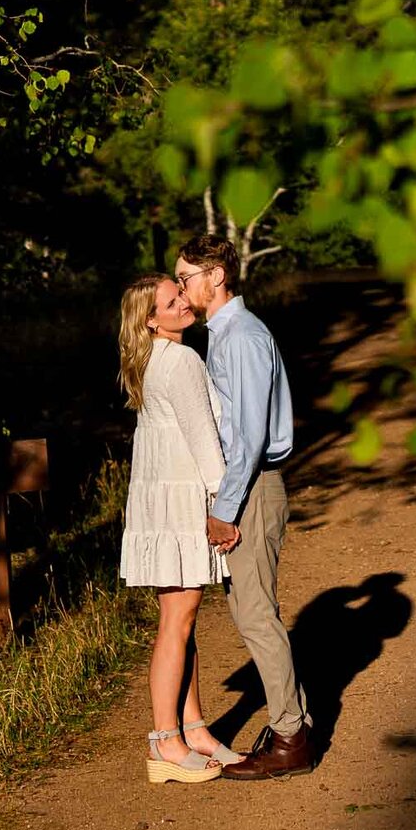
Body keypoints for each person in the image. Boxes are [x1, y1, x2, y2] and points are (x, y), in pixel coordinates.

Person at [175, 232, 312, 780]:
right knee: (247, 610)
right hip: (247, 486)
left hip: (253, 486)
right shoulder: (225, 335)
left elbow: (251, 435)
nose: (183, 290)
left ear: (217, 276)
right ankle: (293, 722)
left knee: (255, 613)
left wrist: (225, 507)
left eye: (187, 278)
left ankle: (290, 738)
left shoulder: (242, 338)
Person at [115, 275, 247, 784]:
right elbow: (202, 437)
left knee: (181, 616)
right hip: (178, 497)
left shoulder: (152, 357)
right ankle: (165, 741)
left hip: (160, 494)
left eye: (179, 296)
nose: (182, 306)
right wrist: (224, 505)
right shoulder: (182, 360)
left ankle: (194, 729)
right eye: (171, 304)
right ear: (151, 319)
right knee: (178, 618)